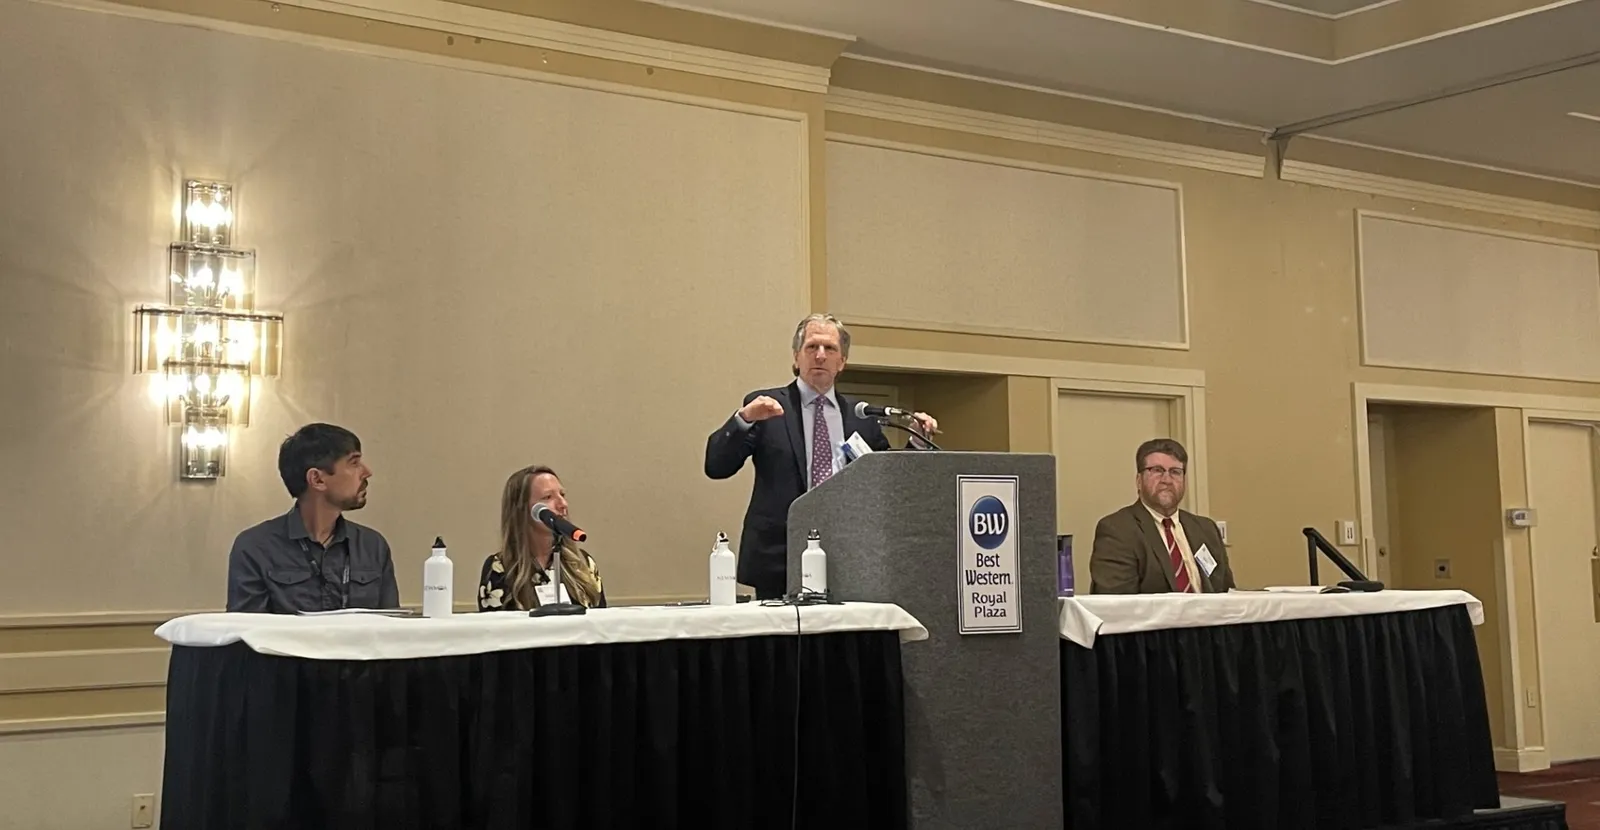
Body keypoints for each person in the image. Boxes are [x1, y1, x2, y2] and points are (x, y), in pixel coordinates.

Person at [704, 313, 939, 599]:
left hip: (850, 555)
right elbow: (717, 466)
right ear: (796, 357)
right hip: (780, 557)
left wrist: (916, 439)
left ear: (842, 363)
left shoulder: (860, 417)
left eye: (830, 349)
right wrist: (743, 419)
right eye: (811, 347)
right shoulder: (768, 406)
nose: (820, 355)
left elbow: (888, 485)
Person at [226, 423, 398, 613]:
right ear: (317, 479)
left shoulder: (372, 546)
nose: (367, 472)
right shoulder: (255, 547)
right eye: (354, 463)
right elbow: (247, 633)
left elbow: (390, 631)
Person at [1088, 437, 1236, 594]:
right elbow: (1118, 604)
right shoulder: (1118, 529)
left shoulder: (1206, 529)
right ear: (1139, 481)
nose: (1167, 480)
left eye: (1175, 472)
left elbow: (1226, 593)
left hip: (1210, 617)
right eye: (1157, 470)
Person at [478, 465, 606, 611]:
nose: (563, 504)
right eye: (548, 497)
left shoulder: (584, 564)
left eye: (562, 495)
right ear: (523, 509)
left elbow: (599, 624)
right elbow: (494, 629)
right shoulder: (500, 567)